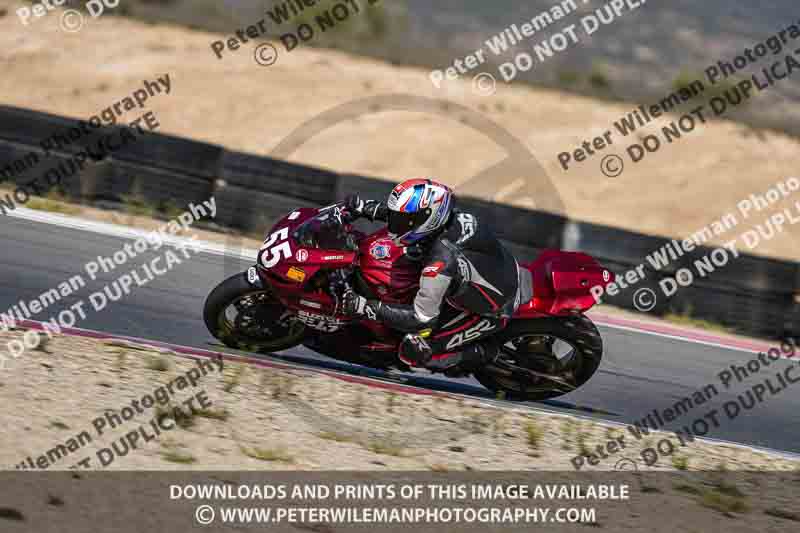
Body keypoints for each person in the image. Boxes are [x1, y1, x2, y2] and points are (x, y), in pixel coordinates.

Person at [341, 178, 521, 373]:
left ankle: (481, 353)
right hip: (500, 268)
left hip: (494, 310)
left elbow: (422, 318)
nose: (396, 226)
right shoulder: (451, 219)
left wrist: (365, 306)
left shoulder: (439, 264)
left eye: (401, 220)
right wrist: (370, 209)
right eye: (396, 217)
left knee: (413, 350)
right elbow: (411, 219)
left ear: (429, 218)